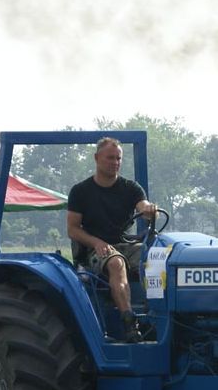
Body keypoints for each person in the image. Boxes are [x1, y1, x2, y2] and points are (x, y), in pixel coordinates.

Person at [67, 137, 157, 342]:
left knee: (159, 258)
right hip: (95, 249)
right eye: (110, 158)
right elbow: (72, 229)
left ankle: (159, 317)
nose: (115, 162)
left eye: (118, 158)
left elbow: (142, 205)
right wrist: (96, 242)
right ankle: (129, 322)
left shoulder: (131, 188)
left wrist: (148, 210)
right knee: (116, 262)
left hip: (126, 245)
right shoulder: (80, 191)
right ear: (96, 158)